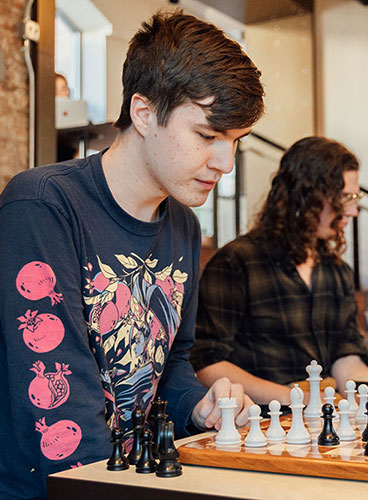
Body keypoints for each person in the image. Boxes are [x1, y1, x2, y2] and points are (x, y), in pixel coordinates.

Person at [0, 11, 264, 500]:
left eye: (234, 142)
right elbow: (61, 399)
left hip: (129, 476)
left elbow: (171, 363)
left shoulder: (183, 223)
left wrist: (198, 406)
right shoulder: (41, 207)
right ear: (143, 113)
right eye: (208, 136)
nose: (225, 163)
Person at [191, 136, 368, 405]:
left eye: (355, 197)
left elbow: (346, 354)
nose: (353, 210)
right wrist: (297, 399)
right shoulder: (237, 261)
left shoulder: (337, 271)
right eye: (345, 197)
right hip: (259, 422)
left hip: (322, 419)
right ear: (307, 196)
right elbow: (207, 362)